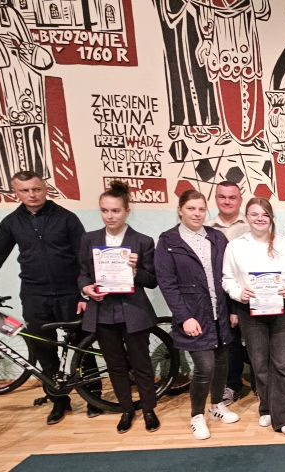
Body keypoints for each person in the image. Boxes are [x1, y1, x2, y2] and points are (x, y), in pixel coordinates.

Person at [0, 170, 98, 425]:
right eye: (25, 190)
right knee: (44, 348)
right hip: (34, 295)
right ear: (16, 193)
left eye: (36, 189)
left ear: (45, 189)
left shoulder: (67, 218)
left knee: (82, 345)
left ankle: (94, 398)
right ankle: (59, 400)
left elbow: (85, 258)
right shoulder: (11, 223)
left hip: (70, 294)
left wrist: (84, 294)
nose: (32, 195)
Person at [76, 181, 160, 433]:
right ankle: (126, 409)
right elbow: (82, 272)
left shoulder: (142, 241)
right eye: (105, 210)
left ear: (126, 211)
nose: (110, 216)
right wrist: (86, 288)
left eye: (115, 210)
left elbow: (152, 280)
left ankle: (148, 409)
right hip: (103, 311)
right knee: (115, 365)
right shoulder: (89, 239)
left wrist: (135, 270)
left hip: (134, 311)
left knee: (141, 363)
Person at [155, 190, 240, 440]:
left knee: (222, 364)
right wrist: (184, 317)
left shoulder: (216, 237)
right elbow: (167, 284)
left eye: (201, 209)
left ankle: (217, 406)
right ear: (180, 210)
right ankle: (197, 416)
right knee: (205, 367)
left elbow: (228, 276)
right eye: (191, 208)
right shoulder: (168, 241)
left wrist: (232, 311)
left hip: (219, 313)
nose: (197, 214)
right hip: (194, 315)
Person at [222, 198, 285, 435]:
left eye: (265, 214)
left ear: (271, 218)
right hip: (250, 311)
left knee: (284, 363)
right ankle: (267, 408)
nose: (260, 218)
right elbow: (227, 279)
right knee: (259, 364)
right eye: (254, 214)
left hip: (281, 309)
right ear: (247, 217)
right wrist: (238, 293)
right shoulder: (235, 246)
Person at [206, 181, 251, 406]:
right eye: (222, 197)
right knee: (228, 343)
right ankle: (232, 385)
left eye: (232, 197)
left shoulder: (252, 224)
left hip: (251, 294)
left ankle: (260, 383)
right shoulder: (206, 228)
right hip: (220, 294)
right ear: (216, 199)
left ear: (240, 199)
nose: (227, 201)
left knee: (255, 340)